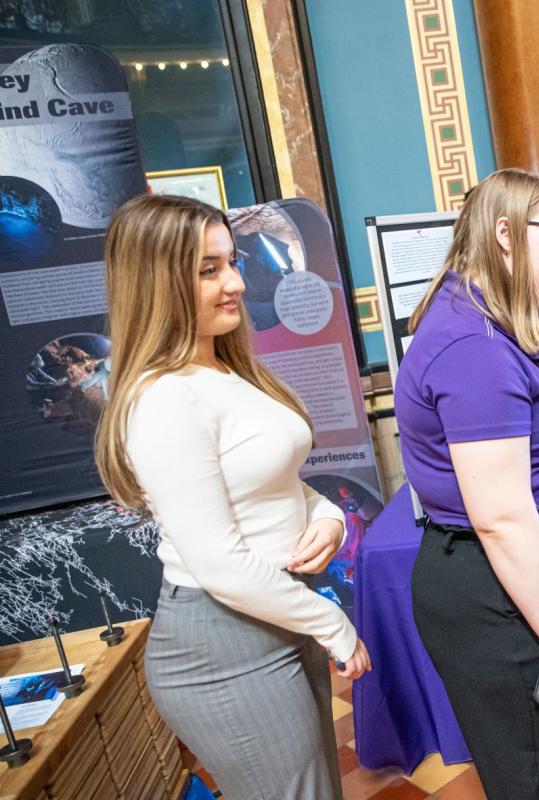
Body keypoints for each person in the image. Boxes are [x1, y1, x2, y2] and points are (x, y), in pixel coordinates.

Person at [94, 194, 371, 800]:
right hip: (222, 639)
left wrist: (326, 518)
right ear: (155, 282)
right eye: (208, 270)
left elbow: (273, 481)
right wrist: (331, 621)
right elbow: (218, 562)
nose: (238, 284)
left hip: (277, 611)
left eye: (231, 262)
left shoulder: (226, 368)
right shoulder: (163, 398)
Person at [395, 168, 539, 799]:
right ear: (505, 233)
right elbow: (501, 518)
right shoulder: (472, 345)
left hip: (528, 582)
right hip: (500, 599)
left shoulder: (491, 318)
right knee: (536, 784)